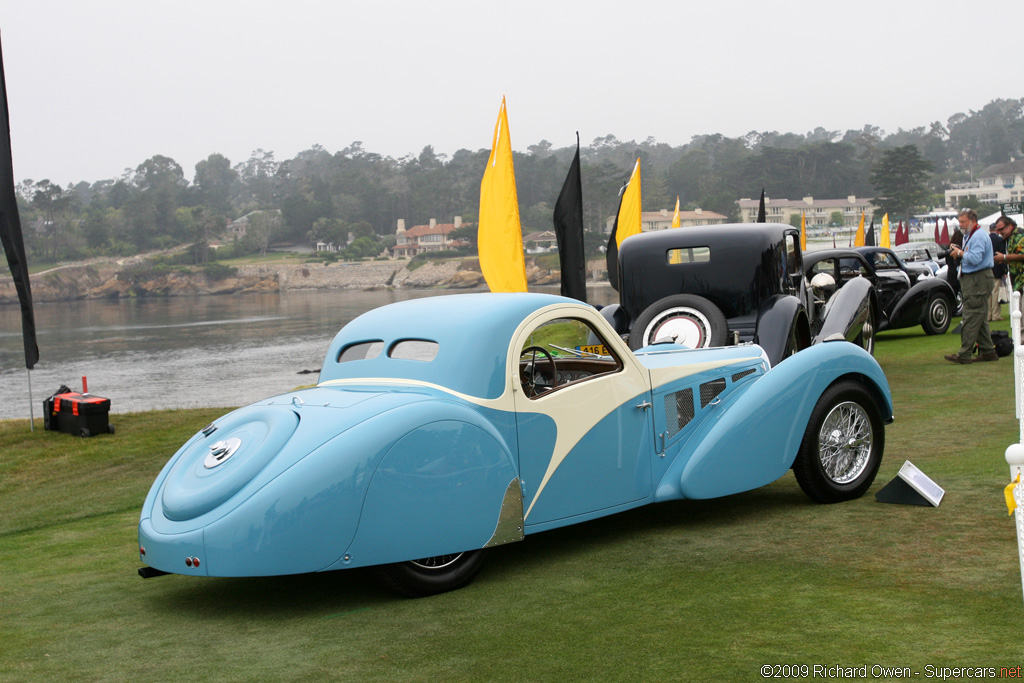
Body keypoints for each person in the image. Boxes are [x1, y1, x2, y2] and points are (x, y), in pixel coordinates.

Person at [945, 209, 997, 364]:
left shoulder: (978, 236)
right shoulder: (972, 235)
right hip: (976, 278)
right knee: (979, 316)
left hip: (977, 279)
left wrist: (959, 253)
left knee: (971, 315)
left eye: (963, 222)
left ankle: (964, 353)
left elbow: (975, 258)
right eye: (960, 221)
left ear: (973, 221)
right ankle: (988, 351)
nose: (960, 225)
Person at [993, 215, 1024, 312]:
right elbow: (1015, 258)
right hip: (1017, 281)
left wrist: (1004, 257)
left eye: (1001, 229)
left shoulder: (1019, 234)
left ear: (1010, 226)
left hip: (1022, 279)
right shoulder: (1009, 238)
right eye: (997, 230)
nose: (999, 233)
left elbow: (1022, 255)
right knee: (1018, 314)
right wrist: (1003, 260)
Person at [990, 223, 1007, 321]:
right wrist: (1004, 270)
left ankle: (988, 315)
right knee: (995, 292)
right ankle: (995, 315)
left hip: (987, 269)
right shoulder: (1000, 240)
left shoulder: (986, 239)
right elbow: (1002, 256)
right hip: (997, 268)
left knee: (988, 294)